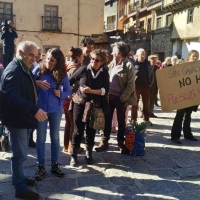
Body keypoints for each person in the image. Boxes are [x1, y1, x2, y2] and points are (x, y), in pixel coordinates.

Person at [0, 41, 48, 199]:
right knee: (19, 155)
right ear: (20, 53)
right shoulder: (14, 70)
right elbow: (13, 96)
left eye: (35, 56)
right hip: (17, 120)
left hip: (23, 119)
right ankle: (20, 188)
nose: (33, 59)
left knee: (21, 154)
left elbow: (23, 85)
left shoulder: (22, 68)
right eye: (30, 55)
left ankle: (18, 178)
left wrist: (36, 82)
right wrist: (34, 110)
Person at [32, 48, 71, 181]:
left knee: (55, 137)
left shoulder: (63, 74)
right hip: (41, 110)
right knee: (40, 138)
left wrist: (62, 95)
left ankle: (54, 164)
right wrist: (37, 82)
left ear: (58, 62)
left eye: (52, 60)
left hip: (56, 110)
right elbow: (28, 82)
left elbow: (68, 91)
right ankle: (41, 165)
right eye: (47, 58)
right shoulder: (38, 70)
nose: (48, 62)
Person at [69, 49, 109, 166]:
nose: (93, 62)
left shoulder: (104, 73)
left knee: (91, 130)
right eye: (92, 59)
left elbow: (105, 90)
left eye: (97, 60)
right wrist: (69, 93)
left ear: (102, 62)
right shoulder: (83, 69)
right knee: (78, 130)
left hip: (95, 106)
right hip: (80, 104)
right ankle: (74, 155)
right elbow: (69, 80)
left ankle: (89, 154)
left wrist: (91, 91)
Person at [95, 42, 136, 153]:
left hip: (120, 98)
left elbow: (131, 85)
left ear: (120, 53)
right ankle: (104, 141)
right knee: (106, 121)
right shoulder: (112, 63)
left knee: (121, 122)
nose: (112, 51)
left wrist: (122, 99)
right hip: (109, 97)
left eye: (114, 50)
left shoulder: (128, 66)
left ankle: (120, 143)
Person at [171, 50, 199, 144]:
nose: (195, 58)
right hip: (182, 96)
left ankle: (187, 134)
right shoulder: (182, 67)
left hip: (192, 96)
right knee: (179, 115)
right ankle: (175, 136)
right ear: (189, 57)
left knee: (188, 115)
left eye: (197, 56)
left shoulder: (198, 68)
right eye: (193, 56)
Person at [63, 46, 84, 153]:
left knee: (68, 123)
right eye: (82, 56)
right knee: (73, 125)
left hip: (64, 100)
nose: (83, 58)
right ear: (78, 57)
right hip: (71, 99)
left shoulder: (65, 66)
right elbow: (75, 86)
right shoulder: (75, 69)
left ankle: (66, 146)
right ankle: (72, 147)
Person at [131, 48, 154, 125]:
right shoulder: (134, 64)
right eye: (141, 54)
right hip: (136, 86)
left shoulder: (148, 64)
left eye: (144, 54)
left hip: (146, 86)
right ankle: (133, 120)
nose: (143, 56)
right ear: (137, 55)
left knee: (146, 104)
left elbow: (152, 75)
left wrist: (150, 84)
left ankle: (146, 120)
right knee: (135, 104)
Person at [28, 46, 43, 148]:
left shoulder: (37, 64)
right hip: (33, 95)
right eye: (38, 53)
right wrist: (37, 82)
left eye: (39, 54)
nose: (38, 55)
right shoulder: (35, 65)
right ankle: (29, 139)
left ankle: (30, 139)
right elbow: (31, 79)